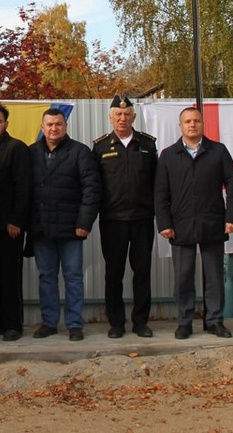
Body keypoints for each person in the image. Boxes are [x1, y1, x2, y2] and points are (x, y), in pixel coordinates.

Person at [155, 106, 233, 340]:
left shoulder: (218, 151)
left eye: (196, 121)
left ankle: (215, 321)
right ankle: (184, 322)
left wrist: (232, 217)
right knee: (183, 277)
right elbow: (160, 193)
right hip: (180, 225)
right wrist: (164, 223)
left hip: (212, 222)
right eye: (187, 121)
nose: (192, 125)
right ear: (180, 126)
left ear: (203, 124)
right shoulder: (168, 155)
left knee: (214, 277)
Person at [29, 107, 100, 341]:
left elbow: (91, 190)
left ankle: (74, 324)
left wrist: (84, 222)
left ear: (65, 126)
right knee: (46, 277)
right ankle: (49, 322)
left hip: (71, 228)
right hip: (41, 227)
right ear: (42, 127)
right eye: (49, 124)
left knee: (73, 277)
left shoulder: (80, 152)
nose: (54, 128)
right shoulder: (30, 152)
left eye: (58, 124)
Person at [92, 94, 158, 338]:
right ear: (111, 118)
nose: (122, 118)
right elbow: (95, 186)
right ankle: (116, 323)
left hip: (142, 219)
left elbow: (157, 182)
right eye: (118, 114)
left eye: (127, 114)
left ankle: (140, 322)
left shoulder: (147, 144)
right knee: (114, 273)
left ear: (134, 117)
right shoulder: (100, 147)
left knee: (142, 273)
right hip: (112, 220)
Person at [0, 103, 32, 341]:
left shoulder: (17, 149)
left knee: (9, 277)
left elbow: (24, 188)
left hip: (9, 227)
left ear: (6, 124)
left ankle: (13, 325)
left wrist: (16, 220)